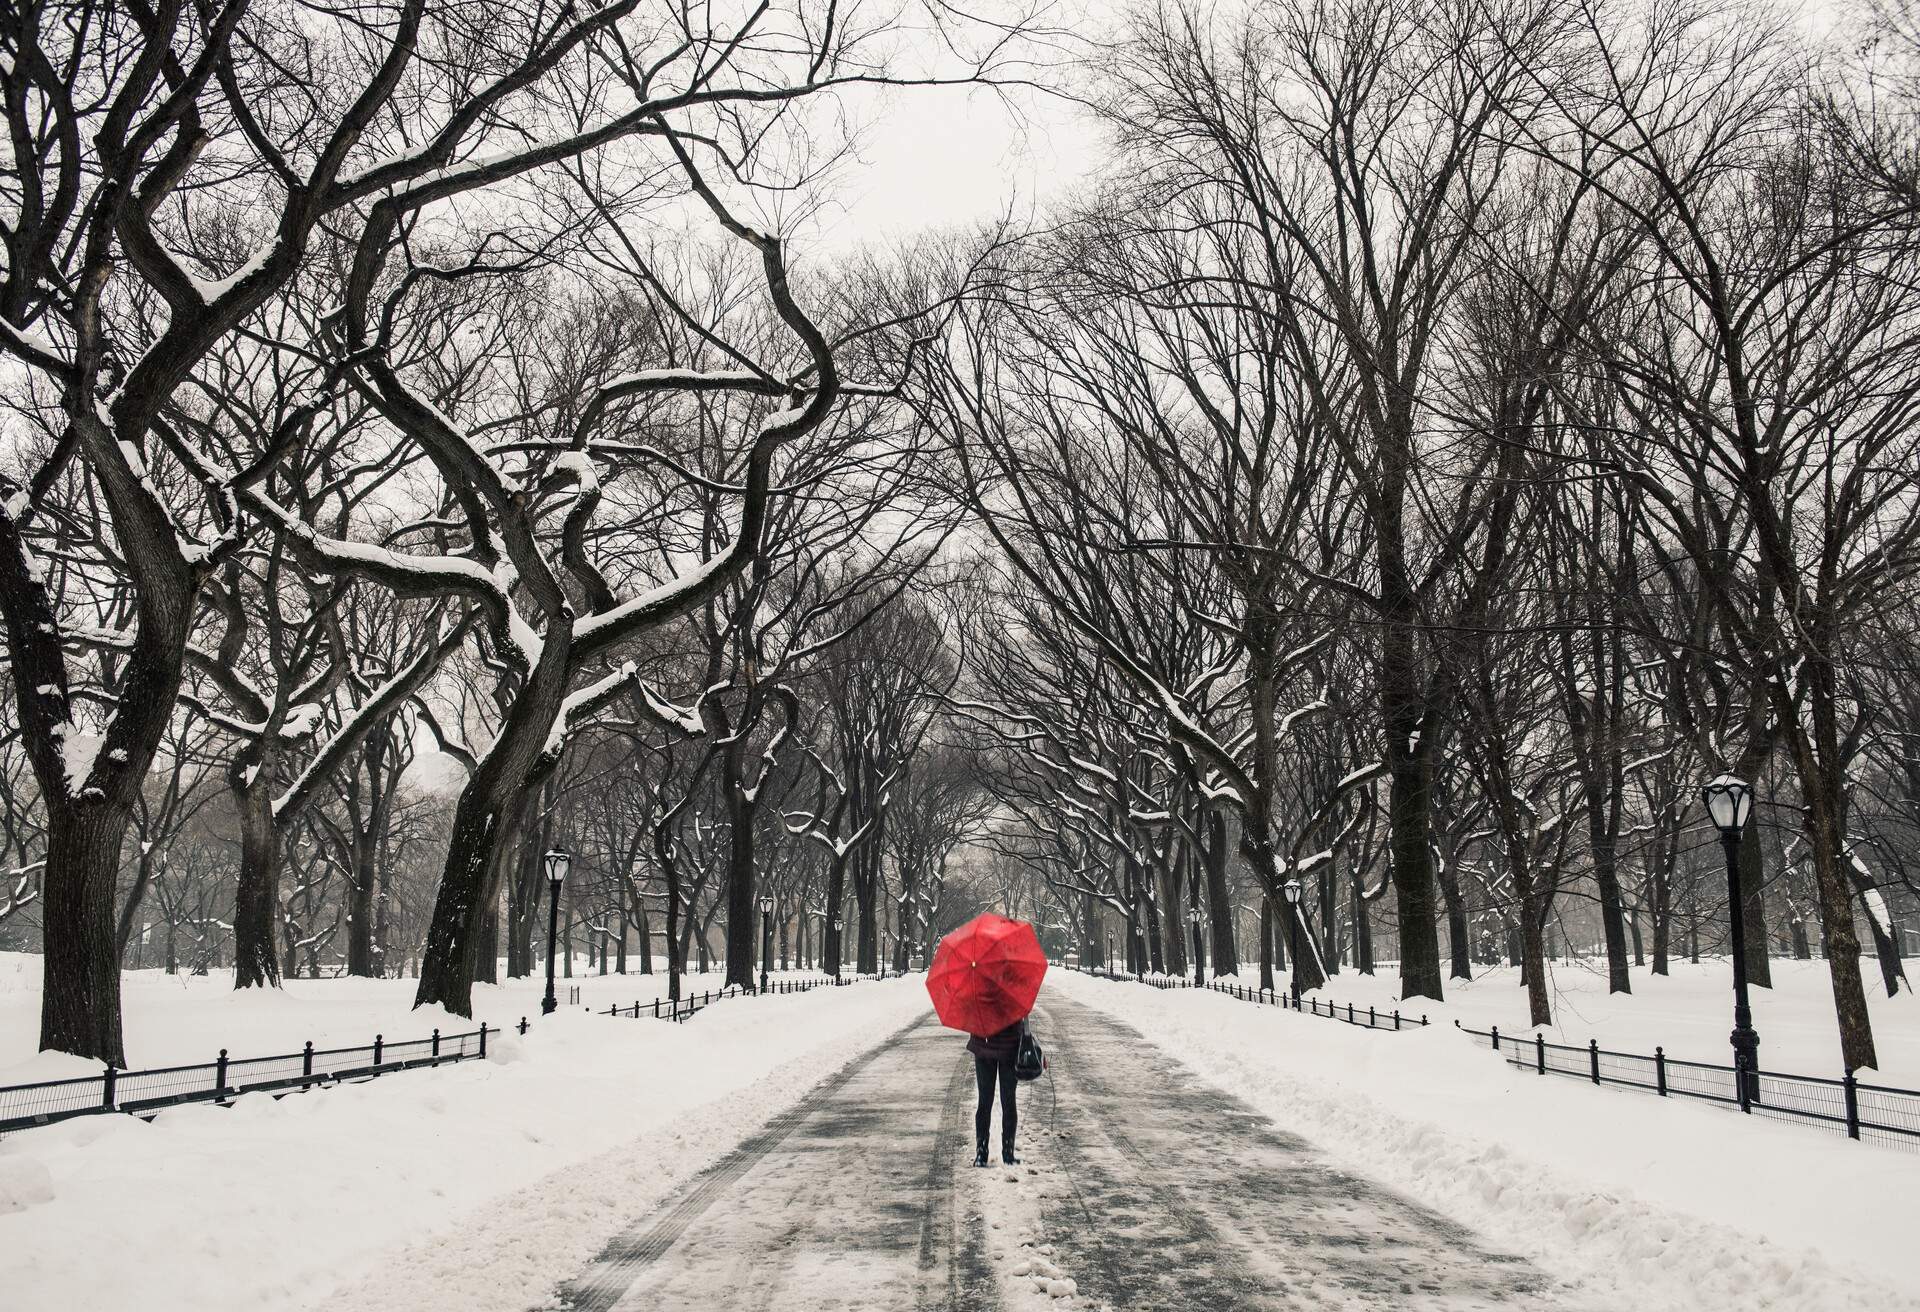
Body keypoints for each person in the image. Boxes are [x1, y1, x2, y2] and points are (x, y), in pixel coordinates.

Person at [966, 1018, 1026, 1166]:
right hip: (1010, 1046)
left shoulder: (976, 994)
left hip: (983, 1044)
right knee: (1009, 1101)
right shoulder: (1013, 995)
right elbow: (1023, 1013)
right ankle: (1008, 1154)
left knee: (984, 1102)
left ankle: (981, 1153)